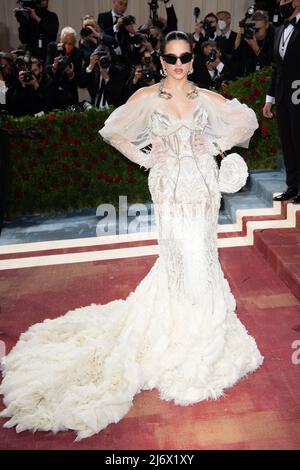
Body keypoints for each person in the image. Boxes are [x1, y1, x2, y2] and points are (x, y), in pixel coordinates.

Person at [0, 31, 263, 441]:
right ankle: (178, 327)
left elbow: (247, 119)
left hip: (203, 188)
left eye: (185, 57)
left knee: (204, 257)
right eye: (171, 58)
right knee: (179, 257)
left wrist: (212, 144)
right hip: (169, 188)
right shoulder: (147, 97)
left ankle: (204, 325)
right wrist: (145, 158)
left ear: (193, 60)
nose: (178, 64)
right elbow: (113, 130)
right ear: (161, 61)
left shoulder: (204, 98)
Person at [263, 0, 300, 203]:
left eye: (285, 0)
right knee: (287, 142)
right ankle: (292, 187)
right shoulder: (278, 30)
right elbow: (276, 67)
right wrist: (270, 98)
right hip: (283, 95)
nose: (281, 3)